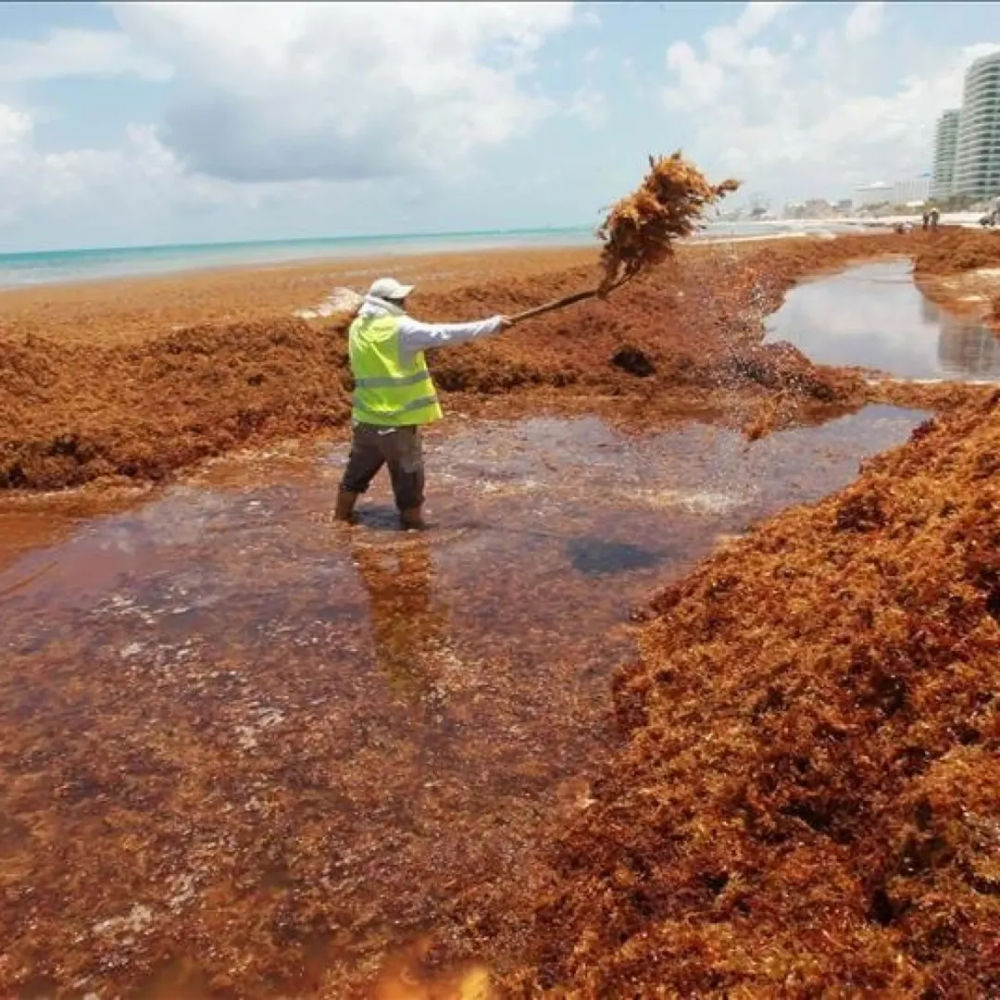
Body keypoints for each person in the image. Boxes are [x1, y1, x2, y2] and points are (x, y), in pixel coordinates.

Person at [336, 276, 514, 530]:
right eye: (400, 299)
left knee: (353, 479)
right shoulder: (401, 328)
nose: (405, 303)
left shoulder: (356, 328)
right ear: (390, 302)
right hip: (397, 426)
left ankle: (340, 524)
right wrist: (492, 325)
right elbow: (444, 334)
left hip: (365, 421)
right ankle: (415, 538)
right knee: (409, 486)